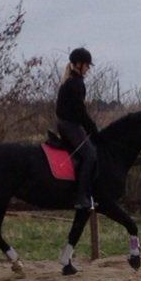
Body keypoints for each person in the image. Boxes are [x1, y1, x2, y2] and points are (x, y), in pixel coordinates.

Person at [56, 47, 98, 210]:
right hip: (70, 125)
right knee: (90, 155)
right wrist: (92, 128)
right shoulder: (76, 83)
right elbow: (80, 111)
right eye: (87, 65)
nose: (88, 69)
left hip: (66, 124)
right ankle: (81, 196)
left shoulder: (70, 81)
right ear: (79, 64)